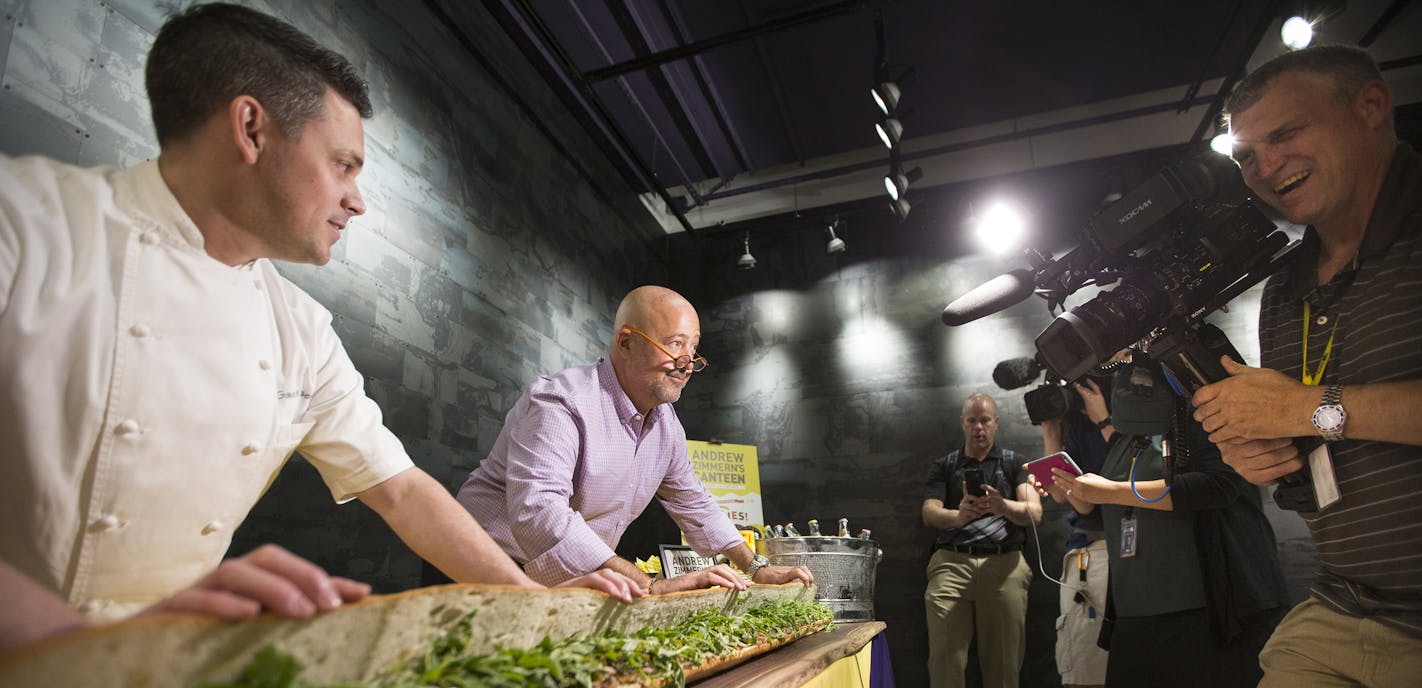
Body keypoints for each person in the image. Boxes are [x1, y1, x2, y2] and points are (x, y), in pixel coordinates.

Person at [0, 2, 640, 651]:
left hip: (153, 675)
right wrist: (67, 645)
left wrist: (530, 598)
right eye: (344, 165)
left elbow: (400, 489)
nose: (357, 199)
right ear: (251, 130)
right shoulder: (24, 222)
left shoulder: (299, 328)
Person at [1192, 44, 1422, 688]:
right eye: (1245, 154)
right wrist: (1272, 457)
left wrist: (1307, 409)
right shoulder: (1287, 284)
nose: (1264, 167)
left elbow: (1322, 411)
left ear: (1373, 106)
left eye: (1286, 133)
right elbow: (1315, 460)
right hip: (1346, 602)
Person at [1041, 360, 1286, 688]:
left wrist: (1109, 493)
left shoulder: (1206, 415)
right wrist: (1084, 495)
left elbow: (1216, 485)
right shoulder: (1125, 438)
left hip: (1214, 606)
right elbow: (1112, 504)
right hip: (1143, 606)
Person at [455, 285, 813, 594]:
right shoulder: (560, 401)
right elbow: (539, 513)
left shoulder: (666, 425)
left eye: (693, 348)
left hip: (576, 577)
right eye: (675, 344)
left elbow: (695, 503)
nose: (687, 363)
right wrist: (648, 586)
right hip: (483, 567)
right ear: (626, 342)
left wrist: (756, 568)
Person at [1038, 381, 1187, 688]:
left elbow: (1152, 472)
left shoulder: (1153, 400)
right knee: (1082, 683)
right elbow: (1078, 503)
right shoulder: (1070, 419)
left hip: (1151, 549)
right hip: (1092, 554)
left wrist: (1105, 417)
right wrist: (1051, 434)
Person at [920, 393, 1042, 688]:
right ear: (962, 422)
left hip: (1005, 565)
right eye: (972, 420)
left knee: (1005, 661)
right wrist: (960, 515)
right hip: (952, 562)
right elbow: (929, 512)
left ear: (996, 422)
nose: (979, 427)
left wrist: (1001, 504)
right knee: (945, 663)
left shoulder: (1013, 463)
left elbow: (1034, 512)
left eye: (986, 420)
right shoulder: (947, 464)